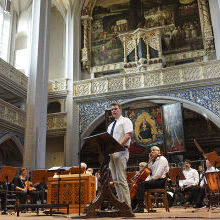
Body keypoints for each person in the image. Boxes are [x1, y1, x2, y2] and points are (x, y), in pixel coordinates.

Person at [107, 103, 133, 208]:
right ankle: (120, 205)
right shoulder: (110, 126)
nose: (113, 111)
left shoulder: (125, 120)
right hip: (111, 153)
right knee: (116, 181)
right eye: (112, 109)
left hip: (121, 151)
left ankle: (127, 207)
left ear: (120, 109)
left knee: (121, 180)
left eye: (115, 109)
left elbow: (128, 134)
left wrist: (117, 146)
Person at [132, 146, 169, 213]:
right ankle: (133, 206)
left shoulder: (162, 159)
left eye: (154, 150)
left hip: (160, 181)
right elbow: (149, 168)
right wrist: (150, 159)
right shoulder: (154, 160)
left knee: (142, 184)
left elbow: (158, 175)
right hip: (155, 180)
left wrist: (149, 180)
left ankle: (140, 207)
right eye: (151, 150)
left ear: (159, 152)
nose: (152, 152)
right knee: (139, 184)